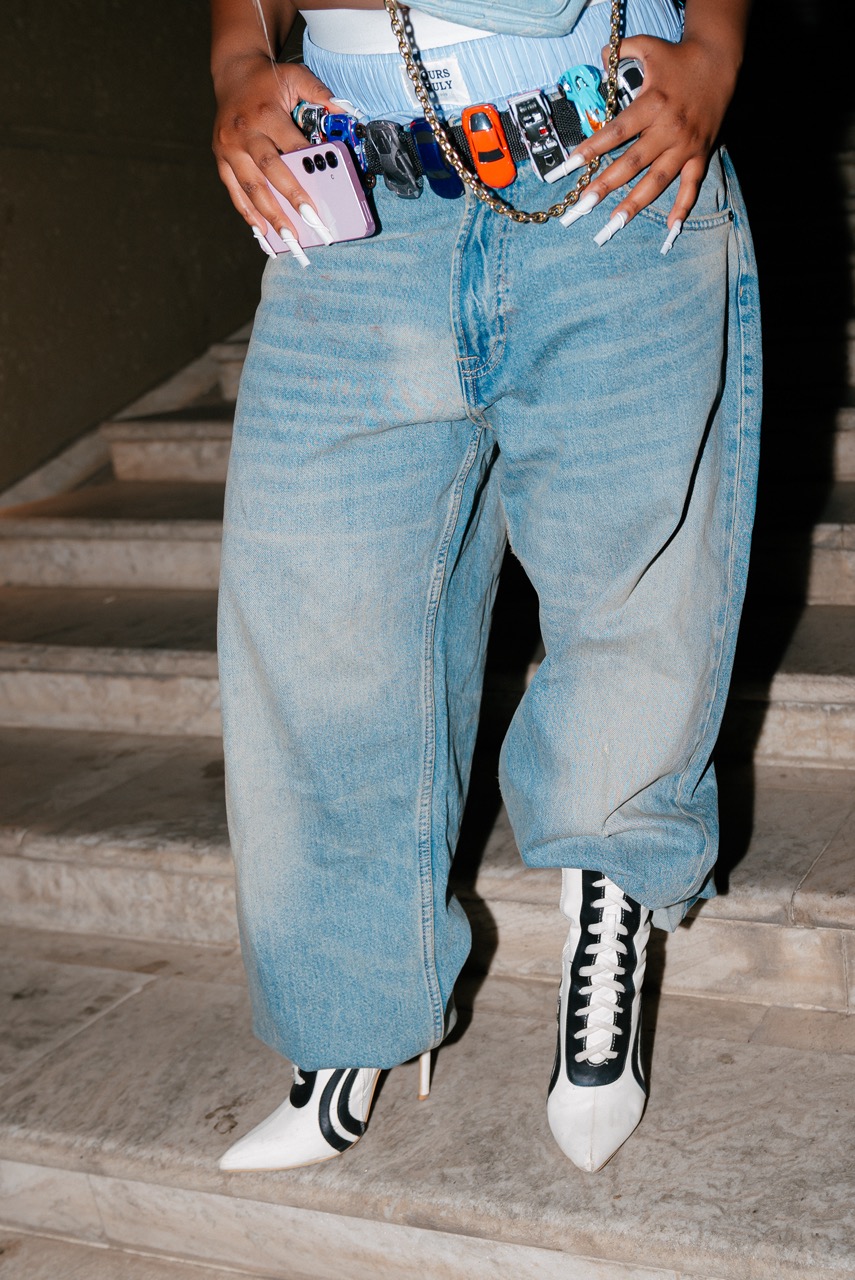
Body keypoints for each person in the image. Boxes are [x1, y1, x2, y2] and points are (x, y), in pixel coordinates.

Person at [210, 0, 759, 1175]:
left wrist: (714, 53)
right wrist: (240, 56)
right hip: (350, 191)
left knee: (630, 587)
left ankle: (610, 897)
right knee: (314, 616)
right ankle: (351, 1012)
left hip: (605, 157)